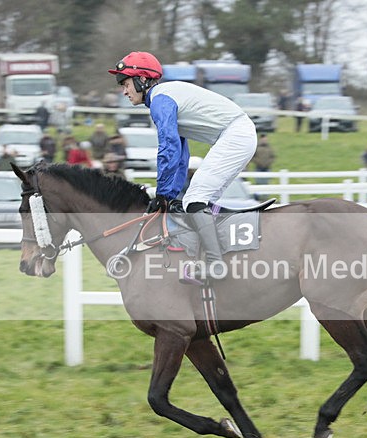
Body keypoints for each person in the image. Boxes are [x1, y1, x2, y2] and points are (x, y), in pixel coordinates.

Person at [109, 51, 257, 283]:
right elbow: (180, 154)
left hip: (235, 135)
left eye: (126, 83)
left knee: (195, 199)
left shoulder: (160, 100)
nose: (124, 91)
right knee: (194, 202)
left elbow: (168, 147)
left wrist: (161, 193)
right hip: (237, 134)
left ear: (142, 80)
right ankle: (217, 255)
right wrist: (168, 195)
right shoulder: (163, 97)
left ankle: (215, 265)